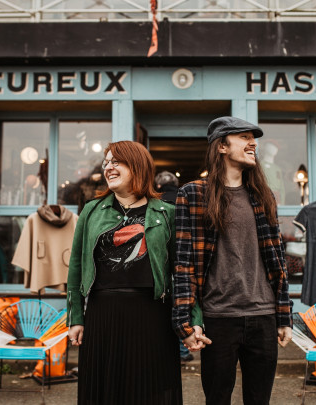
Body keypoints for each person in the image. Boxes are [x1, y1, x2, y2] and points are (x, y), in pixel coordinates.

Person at [173, 116, 293, 405]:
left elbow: (277, 259)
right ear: (222, 147)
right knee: (217, 399)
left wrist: (283, 314)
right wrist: (185, 323)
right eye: (243, 137)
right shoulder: (193, 194)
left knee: (259, 399)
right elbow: (182, 264)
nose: (252, 143)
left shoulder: (263, 196)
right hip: (218, 319)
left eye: (253, 138)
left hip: (263, 317)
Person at [67, 141, 182, 405]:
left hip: (152, 316)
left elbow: (182, 272)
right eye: (106, 162)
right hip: (102, 315)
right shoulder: (91, 211)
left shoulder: (167, 213)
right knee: (106, 390)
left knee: (149, 389)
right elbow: (75, 267)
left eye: (116, 161)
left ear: (137, 166)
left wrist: (189, 317)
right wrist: (76, 317)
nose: (109, 167)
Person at [154, 170, 194, 363]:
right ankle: (183, 351)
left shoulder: (154, 201)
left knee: (162, 307)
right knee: (180, 304)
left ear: (158, 185)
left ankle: (164, 351)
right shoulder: (183, 196)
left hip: (161, 260)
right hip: (183, 257)